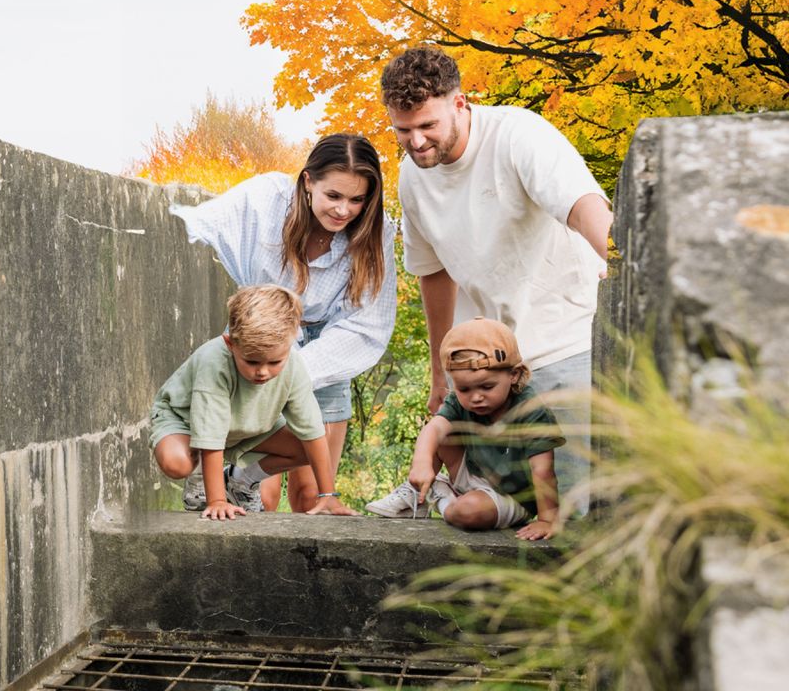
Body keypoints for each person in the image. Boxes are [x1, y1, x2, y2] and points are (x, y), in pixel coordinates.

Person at [380, 45, 612, 510]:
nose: (416, 141)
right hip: (492, 363)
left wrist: (625, 264)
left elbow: (582, 205)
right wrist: (440, 374)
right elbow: (434, 274)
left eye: (428, 126)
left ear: (460, 104)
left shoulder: (517, 135)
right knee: (512, 511)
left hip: (567, 340)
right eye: (403, 130)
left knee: (577, 506)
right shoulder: (411, 176)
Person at [170, 133, 397, 512]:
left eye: (357, 200)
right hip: (264, 345)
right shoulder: (267, 200)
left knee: (312, 489)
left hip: (332, 346)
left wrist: (296, 370)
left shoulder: (376, 232)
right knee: (266, 497)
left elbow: (367, 323)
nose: (344, 210)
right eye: (334, 196)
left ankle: (249, 486)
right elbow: (203, 222)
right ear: (308, 182)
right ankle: (238, 491)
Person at [150, 284, 356, 520]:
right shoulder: (214, 362)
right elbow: (210, 433)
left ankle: (241, 480)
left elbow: (313, 432)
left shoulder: (294, 365)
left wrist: (327, 493)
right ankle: (199, 473)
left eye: (274, 362)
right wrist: (217, 501)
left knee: (308, 449)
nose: (263, 372)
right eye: (252, 362)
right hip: (186, 422)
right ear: (230, 344)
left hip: (243, 425)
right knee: (176, 463)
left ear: (290, 345)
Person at [366, 318, 563, 539]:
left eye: (487, 386)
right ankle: (418, 491)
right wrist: (421, 464)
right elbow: (433, 430)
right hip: (473, 474)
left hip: (511, 496)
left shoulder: (531, 411)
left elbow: (543, 470)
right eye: (464, 388)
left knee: (466, 512)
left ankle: (440, 497)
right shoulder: (459, 403)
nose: (476, 397)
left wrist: (547, 520)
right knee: (440, 430)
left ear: (514, 375)